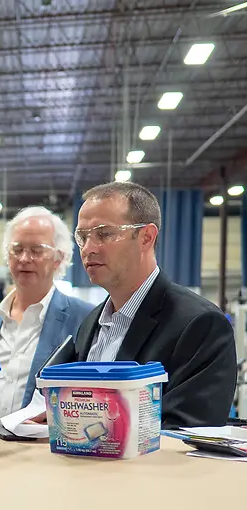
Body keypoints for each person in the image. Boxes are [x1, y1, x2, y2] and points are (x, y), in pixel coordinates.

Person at [73, 180, 236, 428]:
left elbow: (189, 431)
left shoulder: (200, 324)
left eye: (104, 234)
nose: (88, 249)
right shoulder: (90, 324)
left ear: (146, 237)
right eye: (82, 237)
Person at [0, 206, 93, 419]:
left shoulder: (85, 320)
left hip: (45, 449)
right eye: (17, 249)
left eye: (37, 250)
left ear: (58, 258)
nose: (24, 258)